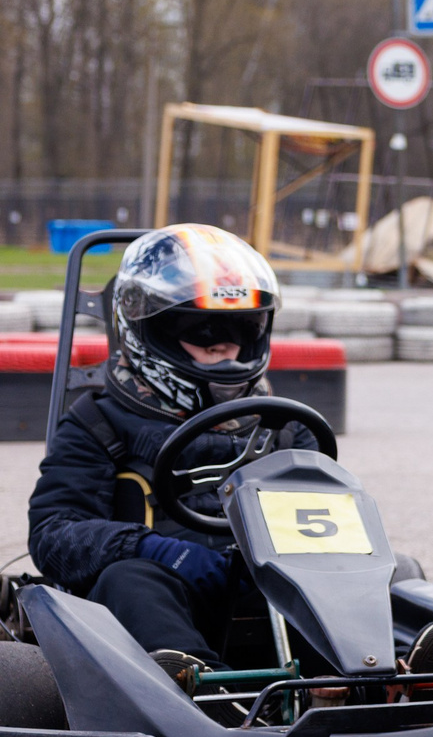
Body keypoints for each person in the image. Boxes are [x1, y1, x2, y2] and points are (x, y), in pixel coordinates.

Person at [28, 224, 314, 678]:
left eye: (243, 326)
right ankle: (203, 691)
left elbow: (330, 523)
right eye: (202, 328)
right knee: (128, 580)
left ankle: (381, 676)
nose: (225, 344)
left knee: (374, 574)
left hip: (270, 591)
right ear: (149, 331)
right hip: (165, 594)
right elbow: (53, 534)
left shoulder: (286, 424)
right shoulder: (98, 422)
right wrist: (155, 549)